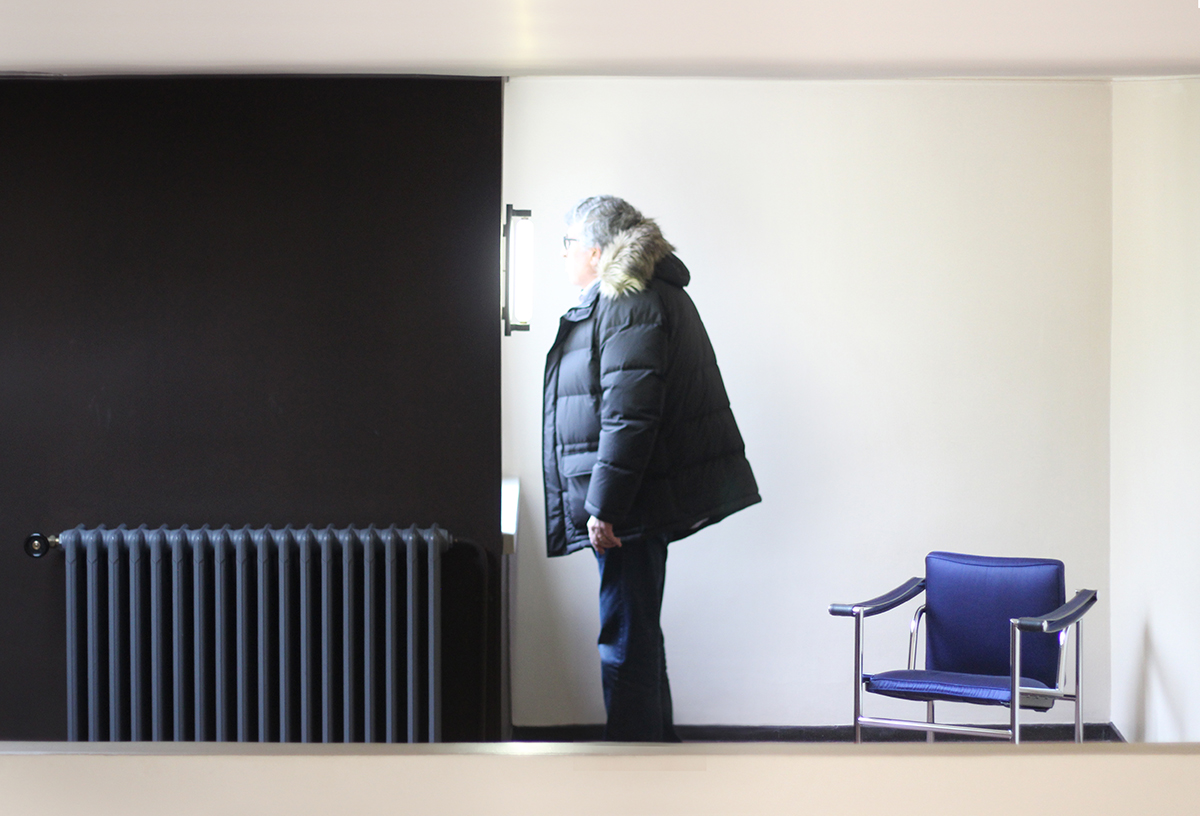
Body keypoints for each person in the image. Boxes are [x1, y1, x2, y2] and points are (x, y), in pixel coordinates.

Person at [542, 196, 761, 741]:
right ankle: (655, 752)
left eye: (568, 245)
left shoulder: (628, 300)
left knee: (625, 637)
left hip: (629, 504)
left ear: (595, 251)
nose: (564, 257)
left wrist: (605, 508)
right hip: (634, 496)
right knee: (635, 630)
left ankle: (634, 765)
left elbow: (629, 413)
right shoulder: (630, 296)